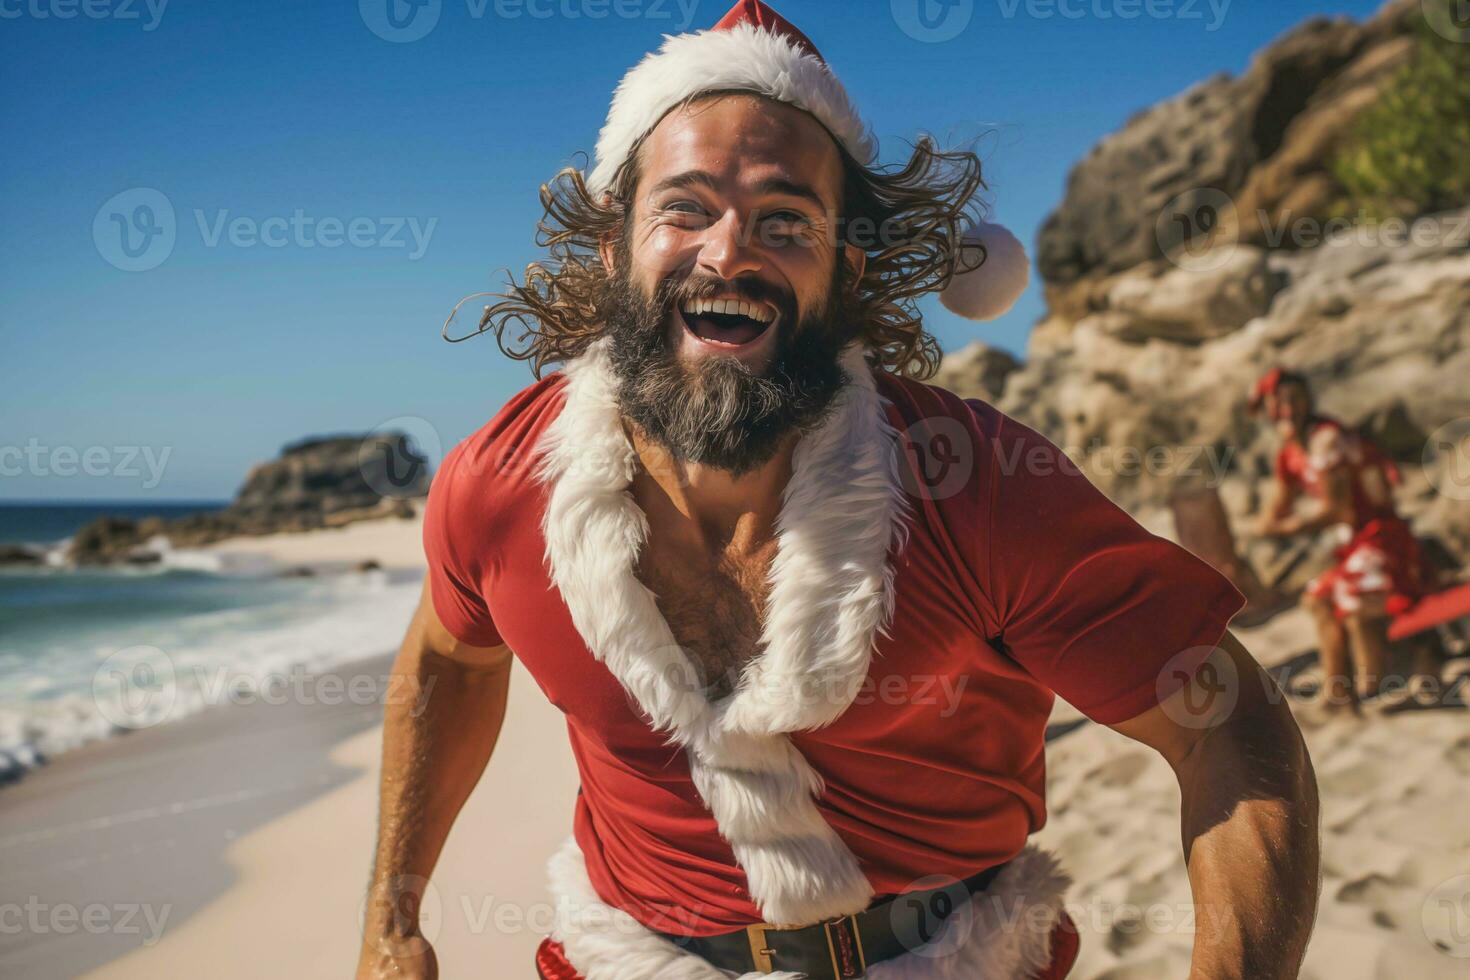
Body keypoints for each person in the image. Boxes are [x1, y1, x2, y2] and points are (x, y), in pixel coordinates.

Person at [356, 4, 1320, 978]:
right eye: (684, 208)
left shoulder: (973, 485)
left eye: (785, 219)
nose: (728, 251)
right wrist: (390, 917)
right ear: (613, 254)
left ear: (843, 275)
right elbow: (449, 661)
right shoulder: (499, 485)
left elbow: (1230, 726)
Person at [1253, 367, 1432, 714]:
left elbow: (1340, 511)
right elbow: (1277, 506)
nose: (1288, 408)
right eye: (1280, 401)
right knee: (1315, 599)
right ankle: (1338, 695)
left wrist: (1285, 528)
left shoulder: (1327, 440)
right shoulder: (1291, 449)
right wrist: (1264, 527)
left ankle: (1372, 685)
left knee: (1351, 601)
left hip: (1381, 540)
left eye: (1295, 399)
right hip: (1353, 545)